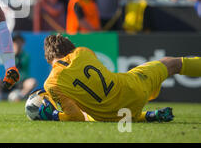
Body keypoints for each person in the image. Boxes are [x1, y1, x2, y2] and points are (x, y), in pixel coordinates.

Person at [38, 33, 201, 122]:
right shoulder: (82, 52)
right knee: (172, 64)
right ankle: (149, 115)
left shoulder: (51, 84)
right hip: (132, 89)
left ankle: (148, 116)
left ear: (48, 59)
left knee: (89, 112)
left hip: (110, 116)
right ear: (69, 47)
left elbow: (76, 117)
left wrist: (53, 115)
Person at [0, 33, 37, 102]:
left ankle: (20, 96)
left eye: (19, 42)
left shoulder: (25, 55)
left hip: (21, 83)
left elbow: (20, 64)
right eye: (16, 42)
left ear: (23, 43)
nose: (18, 44)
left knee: (32, 82)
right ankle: (2, 97)